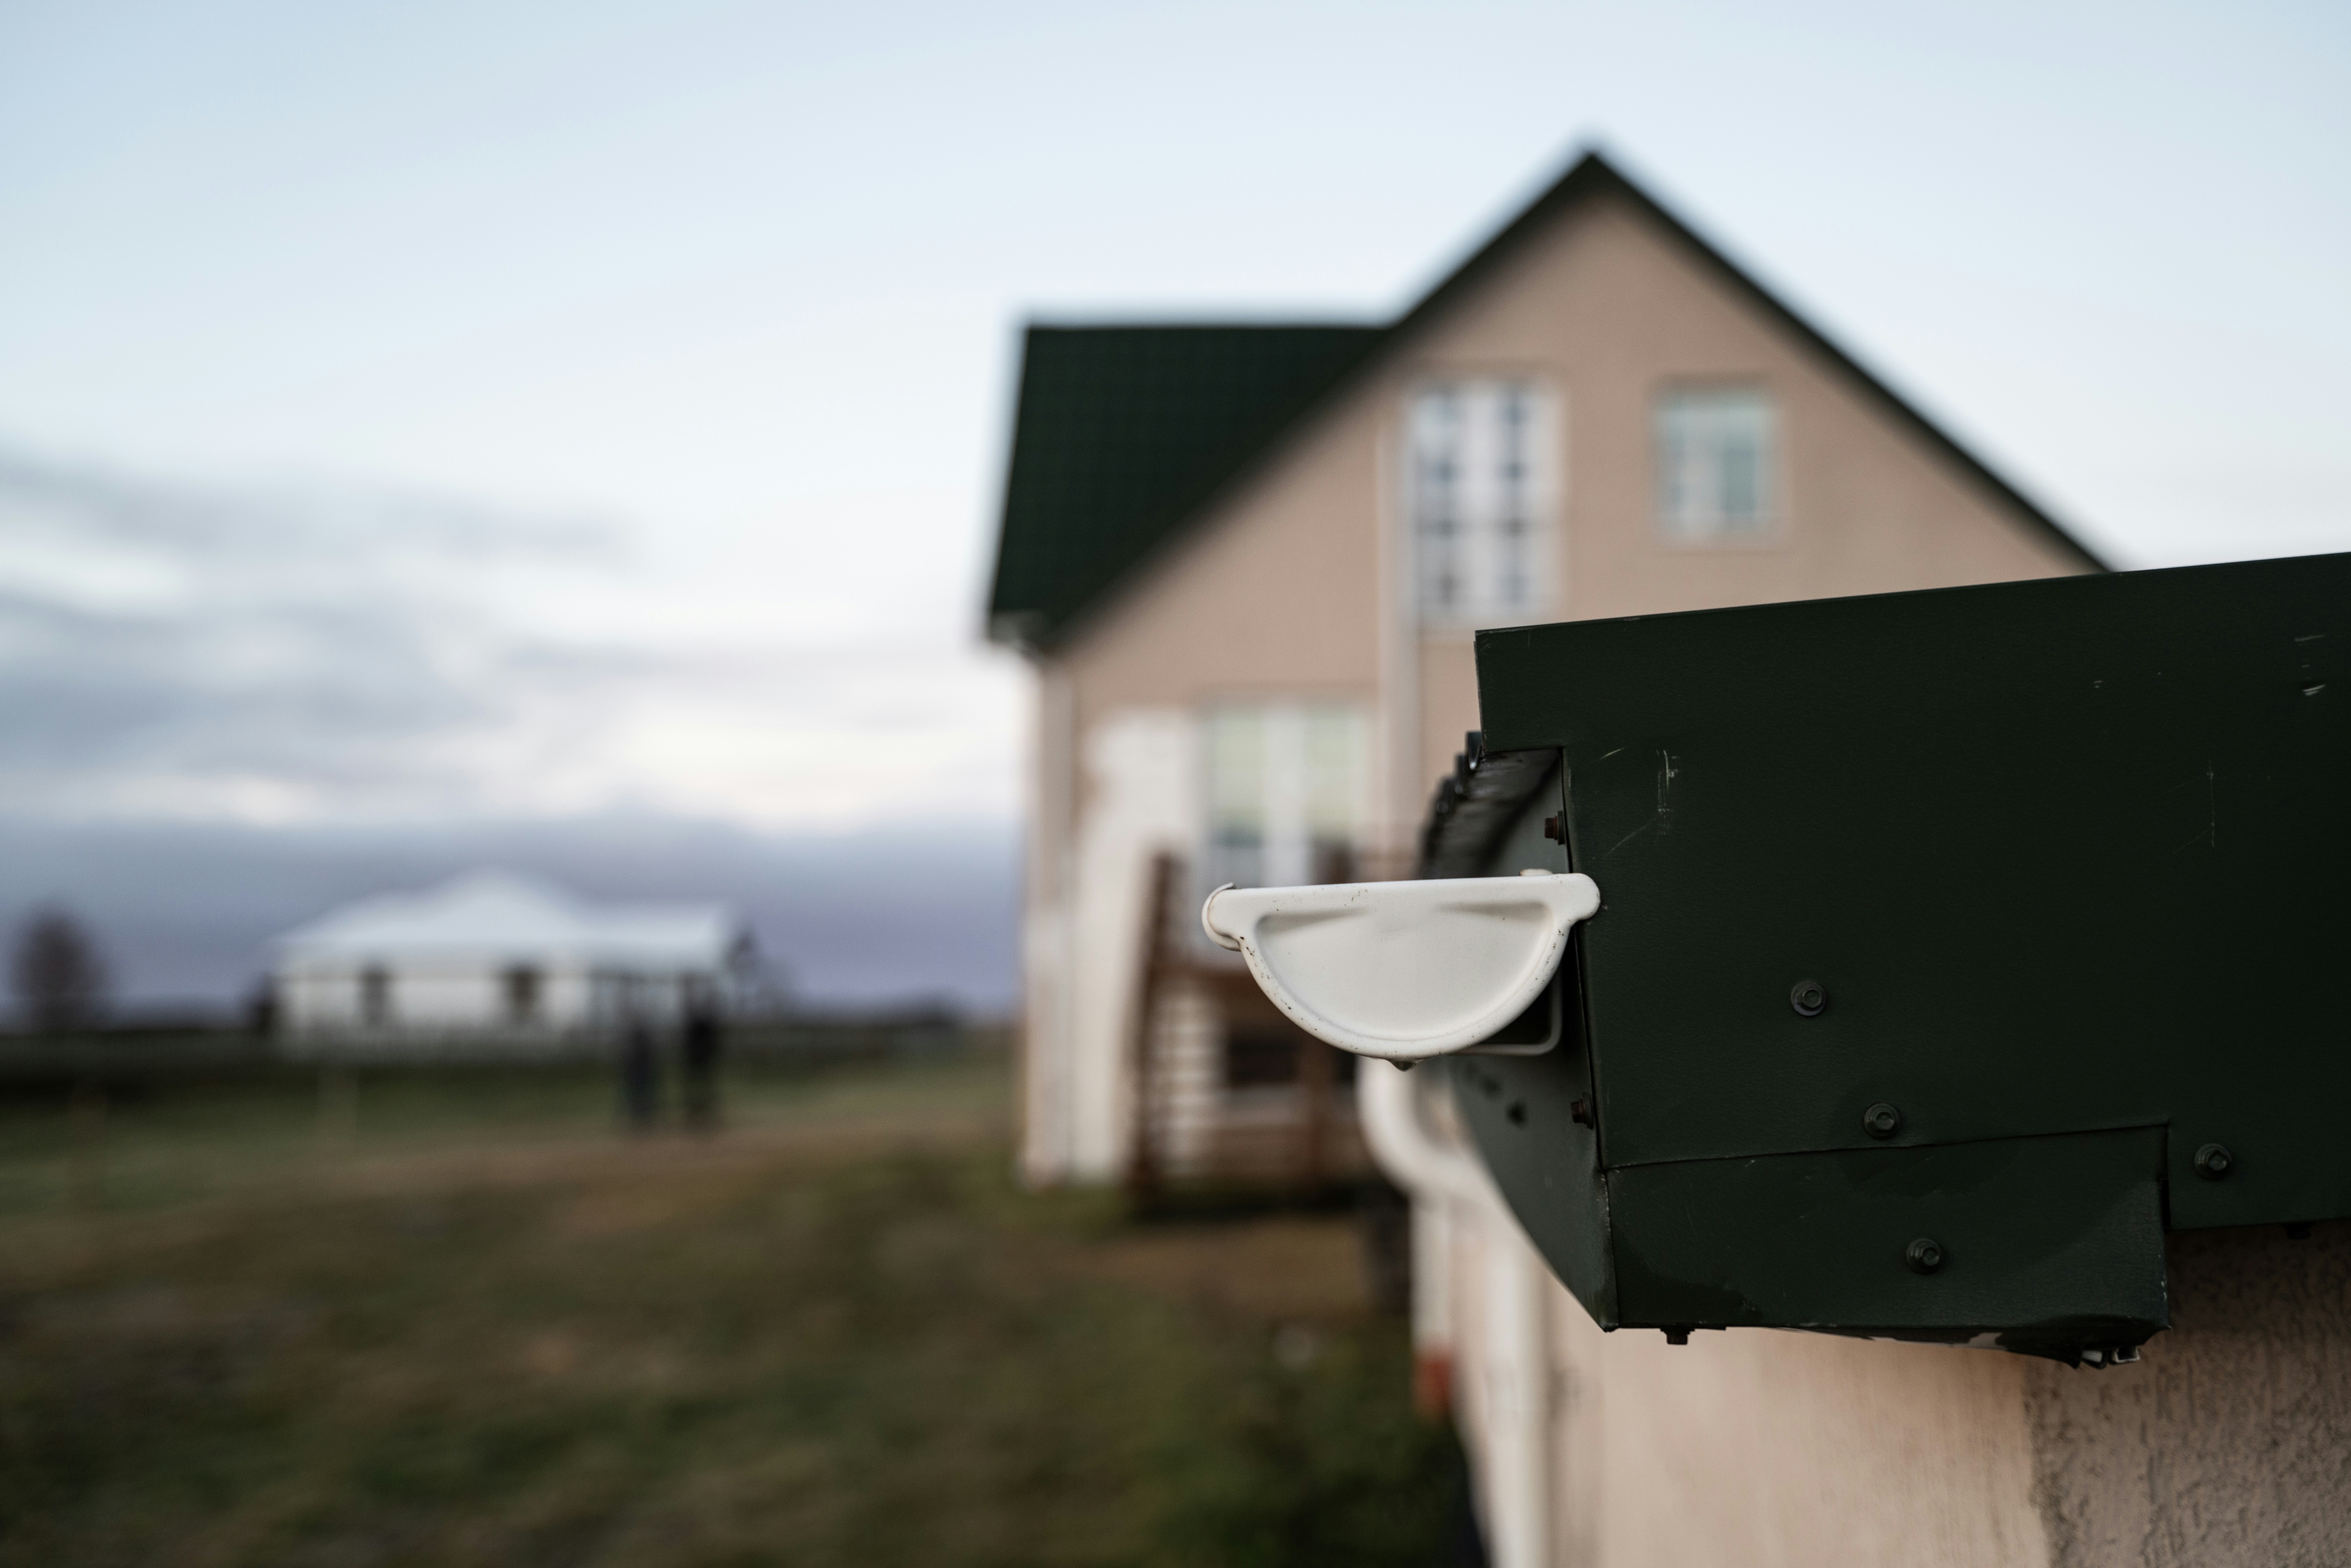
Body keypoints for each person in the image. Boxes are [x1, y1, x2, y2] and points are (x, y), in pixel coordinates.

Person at [681, 993, 722, 1132]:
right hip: (697, 1060)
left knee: (703, 1087)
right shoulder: (698, 1024)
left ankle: (703, 1111)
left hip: (701, 1059)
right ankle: (697, 1111)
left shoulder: (703, 1025)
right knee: (698, 1087)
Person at [619, 1015, 659, 1132]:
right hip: (639, 1074)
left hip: (641, 1074)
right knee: (639, 1097)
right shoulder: (641, 1044)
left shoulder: (635, 1044)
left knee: (641, 1097)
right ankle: (640, 1118)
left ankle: (642, 1118)